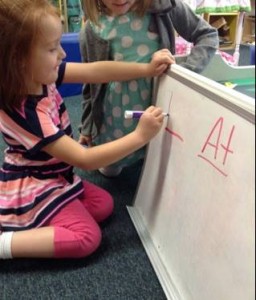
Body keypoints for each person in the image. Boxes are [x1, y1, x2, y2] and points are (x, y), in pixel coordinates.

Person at [0, 0, 173, 260]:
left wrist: (146, 69)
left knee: (103, 205)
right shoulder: (27, 113)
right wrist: (139, 136)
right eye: (51, 48)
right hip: (35, 183)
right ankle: (6, 242)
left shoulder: (37, 75)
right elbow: (86, 160)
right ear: (18, 60)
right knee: (87, 237)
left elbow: (96, 71)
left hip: (56, 174)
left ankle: (45, 217)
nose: (62, 54)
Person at [79, 0, 219, 177]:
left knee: (157, 161)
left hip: (157, 100)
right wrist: (86, 125)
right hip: (114, 113)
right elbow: (90, 83)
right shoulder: (92, 28)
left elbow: (208, 35)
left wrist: (184, 74)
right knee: (111, 169)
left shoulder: (165, 6)